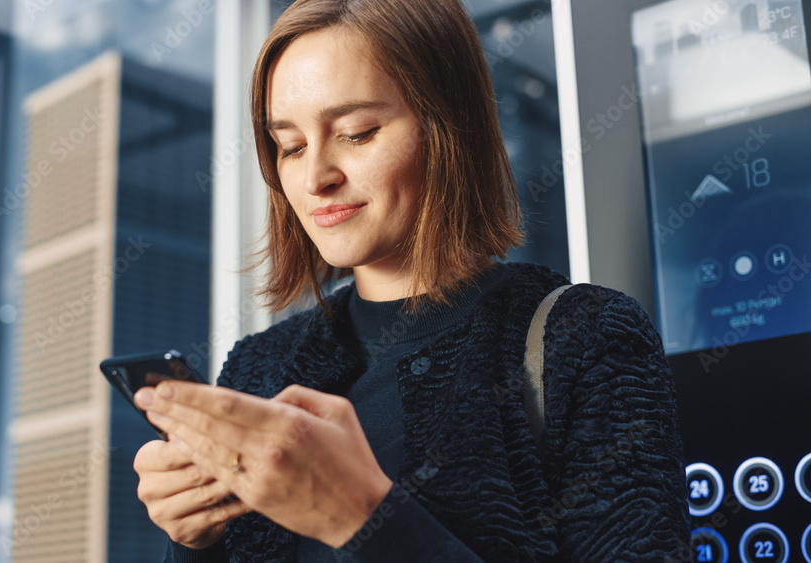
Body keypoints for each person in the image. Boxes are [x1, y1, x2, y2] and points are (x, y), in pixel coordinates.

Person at [132, 0, 691, 561]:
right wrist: (197, 540)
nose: (315, 177)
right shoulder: (255, 370)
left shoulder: (588, 339)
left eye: (356, 132)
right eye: (291, 146)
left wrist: (361, 515)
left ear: (449, 127)